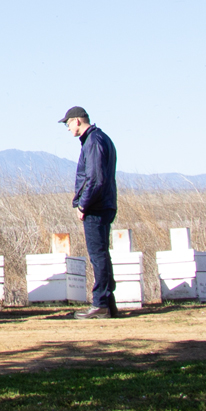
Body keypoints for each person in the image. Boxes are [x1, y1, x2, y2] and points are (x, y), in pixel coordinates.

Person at [64, 106, 120, 319]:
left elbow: (95, 179)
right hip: (104, 204)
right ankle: (108, 303)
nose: (68, 129)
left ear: (77, 121)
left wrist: (83, 205)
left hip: (96, 207)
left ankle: (100, 304)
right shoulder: (99, 139)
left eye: (68, 124)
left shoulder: (93, 142)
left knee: (98, 255)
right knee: (102, 254)